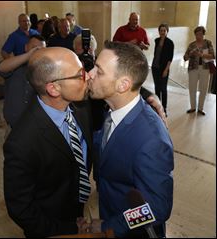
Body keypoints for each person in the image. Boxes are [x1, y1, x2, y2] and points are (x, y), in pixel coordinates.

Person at [81, 41, 174, 238]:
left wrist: (110, 225)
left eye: (99, 71)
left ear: (123, 85)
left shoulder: (151, 141)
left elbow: (156, 208)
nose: (89, 74)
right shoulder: (113, 109)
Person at [3, 47, 94, 237]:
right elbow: (21, 209)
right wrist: (68, 230)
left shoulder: (81, 105)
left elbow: (114, 85)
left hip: (77, 205)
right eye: (80, 75)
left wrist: (150, 98)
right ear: (53, 88)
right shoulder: (21, 143)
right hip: (51, 225)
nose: (89, 77)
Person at [0, 35, 46, 128]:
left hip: (36, 121)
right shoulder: (15, 65)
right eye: (34, 48)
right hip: (15, 121)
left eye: (41, 49)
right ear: (26, 47)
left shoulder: (45, 69)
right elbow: (1, 68)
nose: (37, 51)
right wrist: (28, 56)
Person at [183, 26, 215, 116]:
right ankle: (193, 107)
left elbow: (213, 56)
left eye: (200, 34)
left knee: (203, 89)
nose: (198, 36)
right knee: (192, 88)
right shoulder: (191, 45)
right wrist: (190, 54)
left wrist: (201, 54)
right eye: (197, 34)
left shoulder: (208, 43)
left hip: (205, 68)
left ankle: (200, 108)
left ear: (203, 34)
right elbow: (185, 58)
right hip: (193, 68)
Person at [151, 23, 174, 116]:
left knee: (163, 89)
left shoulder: (170, 43)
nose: (162, 32)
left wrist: (166, 70)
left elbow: (170, 58)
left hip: (164, 69)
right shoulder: (156, 40)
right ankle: (158, 107)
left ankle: (164, 109)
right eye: (161, 30)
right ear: (159, 31)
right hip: (155, 67)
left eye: (164, 30)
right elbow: (156, 54)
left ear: (167, 31)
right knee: (157, 88)